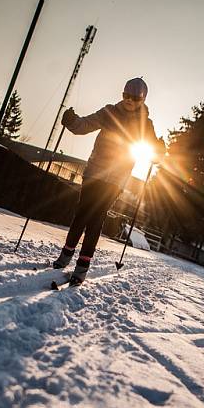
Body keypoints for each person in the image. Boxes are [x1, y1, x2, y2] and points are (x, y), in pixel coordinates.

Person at [53, 77, 165, 285]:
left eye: (134, 98)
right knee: (82, 213)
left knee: (96, 217)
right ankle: (65, 256)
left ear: (142, 100)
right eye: (126, 95)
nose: (129, 101)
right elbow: (84, 125)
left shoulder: (145, 125)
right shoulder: (109, 112)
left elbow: (154, 155)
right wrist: (71, 120)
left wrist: (159, 149)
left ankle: (82, 266)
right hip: (94, 171)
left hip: (116, 179)